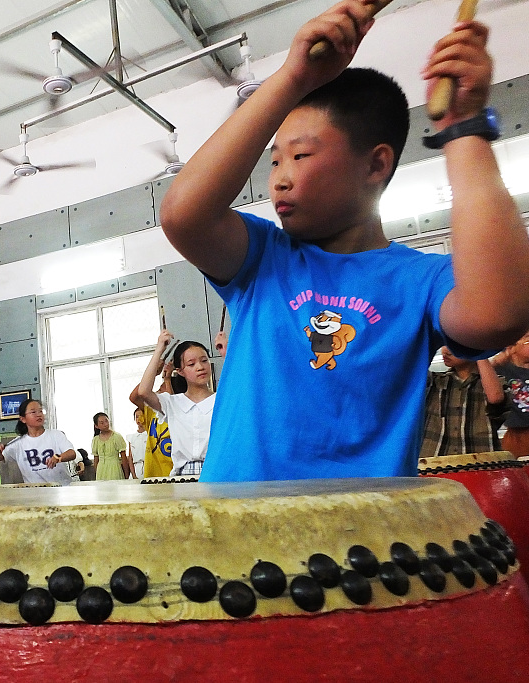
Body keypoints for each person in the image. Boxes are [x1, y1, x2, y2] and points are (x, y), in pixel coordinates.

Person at [158, 2, 529, 481]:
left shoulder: (419, 280)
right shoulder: (263, 260)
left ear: (375, 166)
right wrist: (292, 77)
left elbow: (498, 313)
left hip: (359, 548)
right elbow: (182, 214)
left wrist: (464, 130)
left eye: (302, 155)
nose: (279, 180)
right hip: (232, 543)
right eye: (275, 161)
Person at [138, 332, 216, 477]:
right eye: (191, 364)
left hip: (216, 473)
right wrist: (159, 348)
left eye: (204, 360)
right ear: (180, 371)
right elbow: (143, 392)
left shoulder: (221, 400)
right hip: (183, 477)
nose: (200, 367)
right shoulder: (172, 403)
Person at [420, 346, 506, 459]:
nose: (445, 351)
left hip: (480, 465)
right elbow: (412, 366)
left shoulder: (494, 384)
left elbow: (495, 398)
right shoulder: (436, 382)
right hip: (435, 465)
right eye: (444, 344)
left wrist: (480, 352)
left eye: (454, 345)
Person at [0, 399, 76, 485]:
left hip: (61, 490)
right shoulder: (18, 443)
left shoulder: (56, 435)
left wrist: (58, 457)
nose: (39, 415)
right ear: (23, 419)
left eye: (40, 411)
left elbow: (71, 453)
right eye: (33, 412)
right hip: (34, 492)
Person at [128, 363, 175, 477]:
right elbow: (134, 397)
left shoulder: (176, 411)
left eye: (161, 389)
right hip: (153, 473)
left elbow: (171, 402)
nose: (158, 391)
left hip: (171, 471)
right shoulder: (150, 411)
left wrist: (167, 380)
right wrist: (154, 373)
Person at [492, 331, 529, 456]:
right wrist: (496, 363)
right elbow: (481, 377)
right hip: (516, 435)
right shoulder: (502, 368)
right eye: (527, 339)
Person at [91, 412, 129, 480]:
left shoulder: (116, 437)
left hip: (114, 468)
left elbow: (124, 457)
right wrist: (97, 473)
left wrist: (126, 475)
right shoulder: (95, 439)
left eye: (106, 421)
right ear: (96, 426)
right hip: (101, 470)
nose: (105, 424)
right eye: (102, 423)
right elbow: (96, 459)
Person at [126, 407, 148, 479]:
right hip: (137, 469)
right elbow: (130, 458)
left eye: (141, 416)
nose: (139, 419)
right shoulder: (132, 437)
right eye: (137, 417)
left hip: (149, 467)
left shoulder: (150, 435)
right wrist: (133, 474)